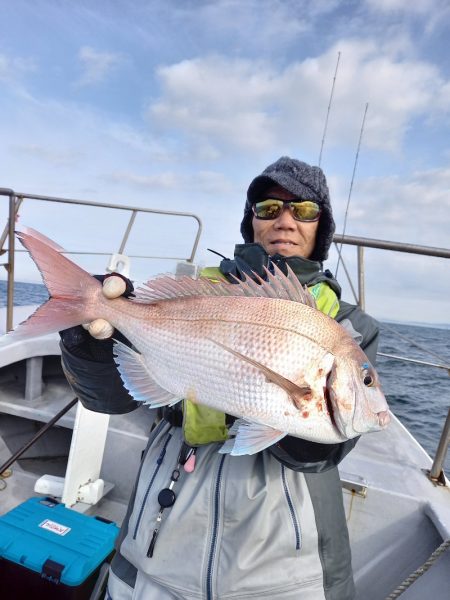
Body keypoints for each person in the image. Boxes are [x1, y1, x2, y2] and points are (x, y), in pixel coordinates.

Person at [60, 157, 379, 600]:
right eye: (268, 208)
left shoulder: (350, 326)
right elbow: (109, 400)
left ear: (320, 226)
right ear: (251, 221)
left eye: (304, 210)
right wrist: (89, 344)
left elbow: (324, 451)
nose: (285, 220)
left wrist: (293, 399)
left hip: (281, 572)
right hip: (158, 545)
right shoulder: (196, 289)